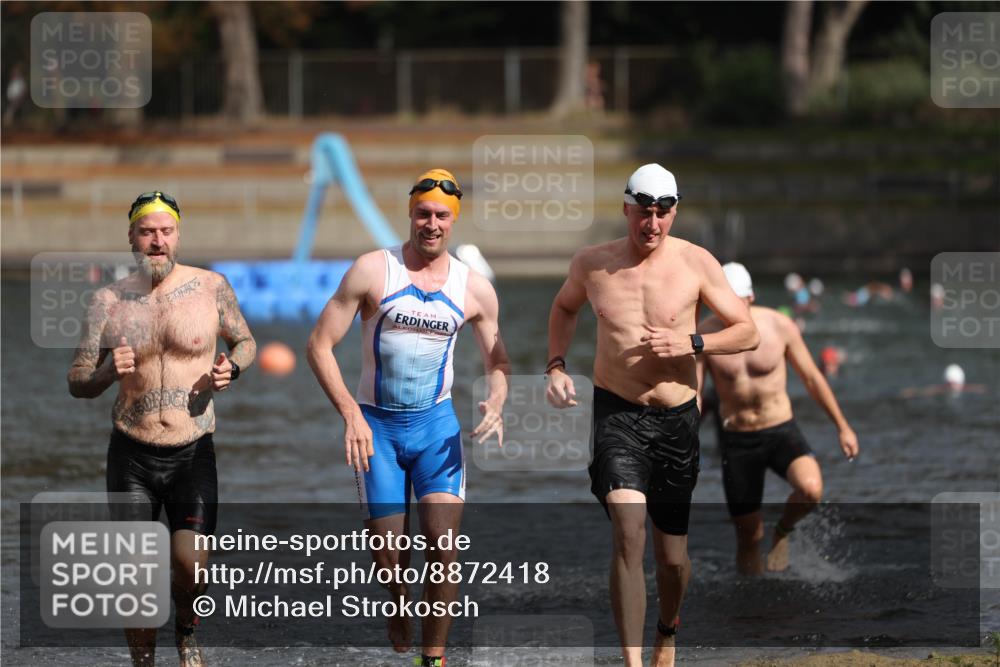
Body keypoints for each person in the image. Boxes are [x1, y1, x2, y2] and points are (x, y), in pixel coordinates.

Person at [545, 164, 759, 667]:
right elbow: (563, 309)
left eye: (663, 213)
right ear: (626, 209)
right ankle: (632, 661)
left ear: (674, 213)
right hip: (616, 413)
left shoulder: (696, 263)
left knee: (672, 559)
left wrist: (692, 341)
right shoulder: (592, 264)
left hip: (676, 419)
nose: (653, 223)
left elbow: (746, 331)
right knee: (627, 525)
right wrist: (556, 365)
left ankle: (667, 629)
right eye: (644, 212)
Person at [307, 169, 509, 667]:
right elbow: (318, 345)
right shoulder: (374, 270)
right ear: (410, 213)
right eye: (424, 213)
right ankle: (397, 602)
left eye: (442, 216)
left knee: (443, 549)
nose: (432, 224)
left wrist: (498, 400)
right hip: (375, 427)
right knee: (390, 558)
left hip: (436, 428)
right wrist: (350, 414)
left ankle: (432, 659)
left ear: (454, 220)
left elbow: (498, 360)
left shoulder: (475, 289)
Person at [67, 191, 257, 667]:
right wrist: (108, 373)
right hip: (131, 452)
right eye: (147, 231)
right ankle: (143, 663)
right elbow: (77, 380)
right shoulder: (107, 301)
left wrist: (232, 368)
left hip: (192, 450)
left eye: (165, 231)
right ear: (131, 237)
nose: (157, 241)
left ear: (178, 234)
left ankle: (186, 630)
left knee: (191, 565)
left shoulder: (212, 287)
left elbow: (247, 341)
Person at [697, 262, 858, 575]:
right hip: (737, 439)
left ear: (751, 297)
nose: (732, 309)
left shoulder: (779, 326)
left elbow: (812, 377)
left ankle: (783, 531)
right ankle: (750, 604)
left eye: (738, 300)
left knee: (811, 489)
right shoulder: (705, 335)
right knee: (748, 537)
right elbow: (696, 393)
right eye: (724, 301)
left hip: (780, 430)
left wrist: (843, 426)